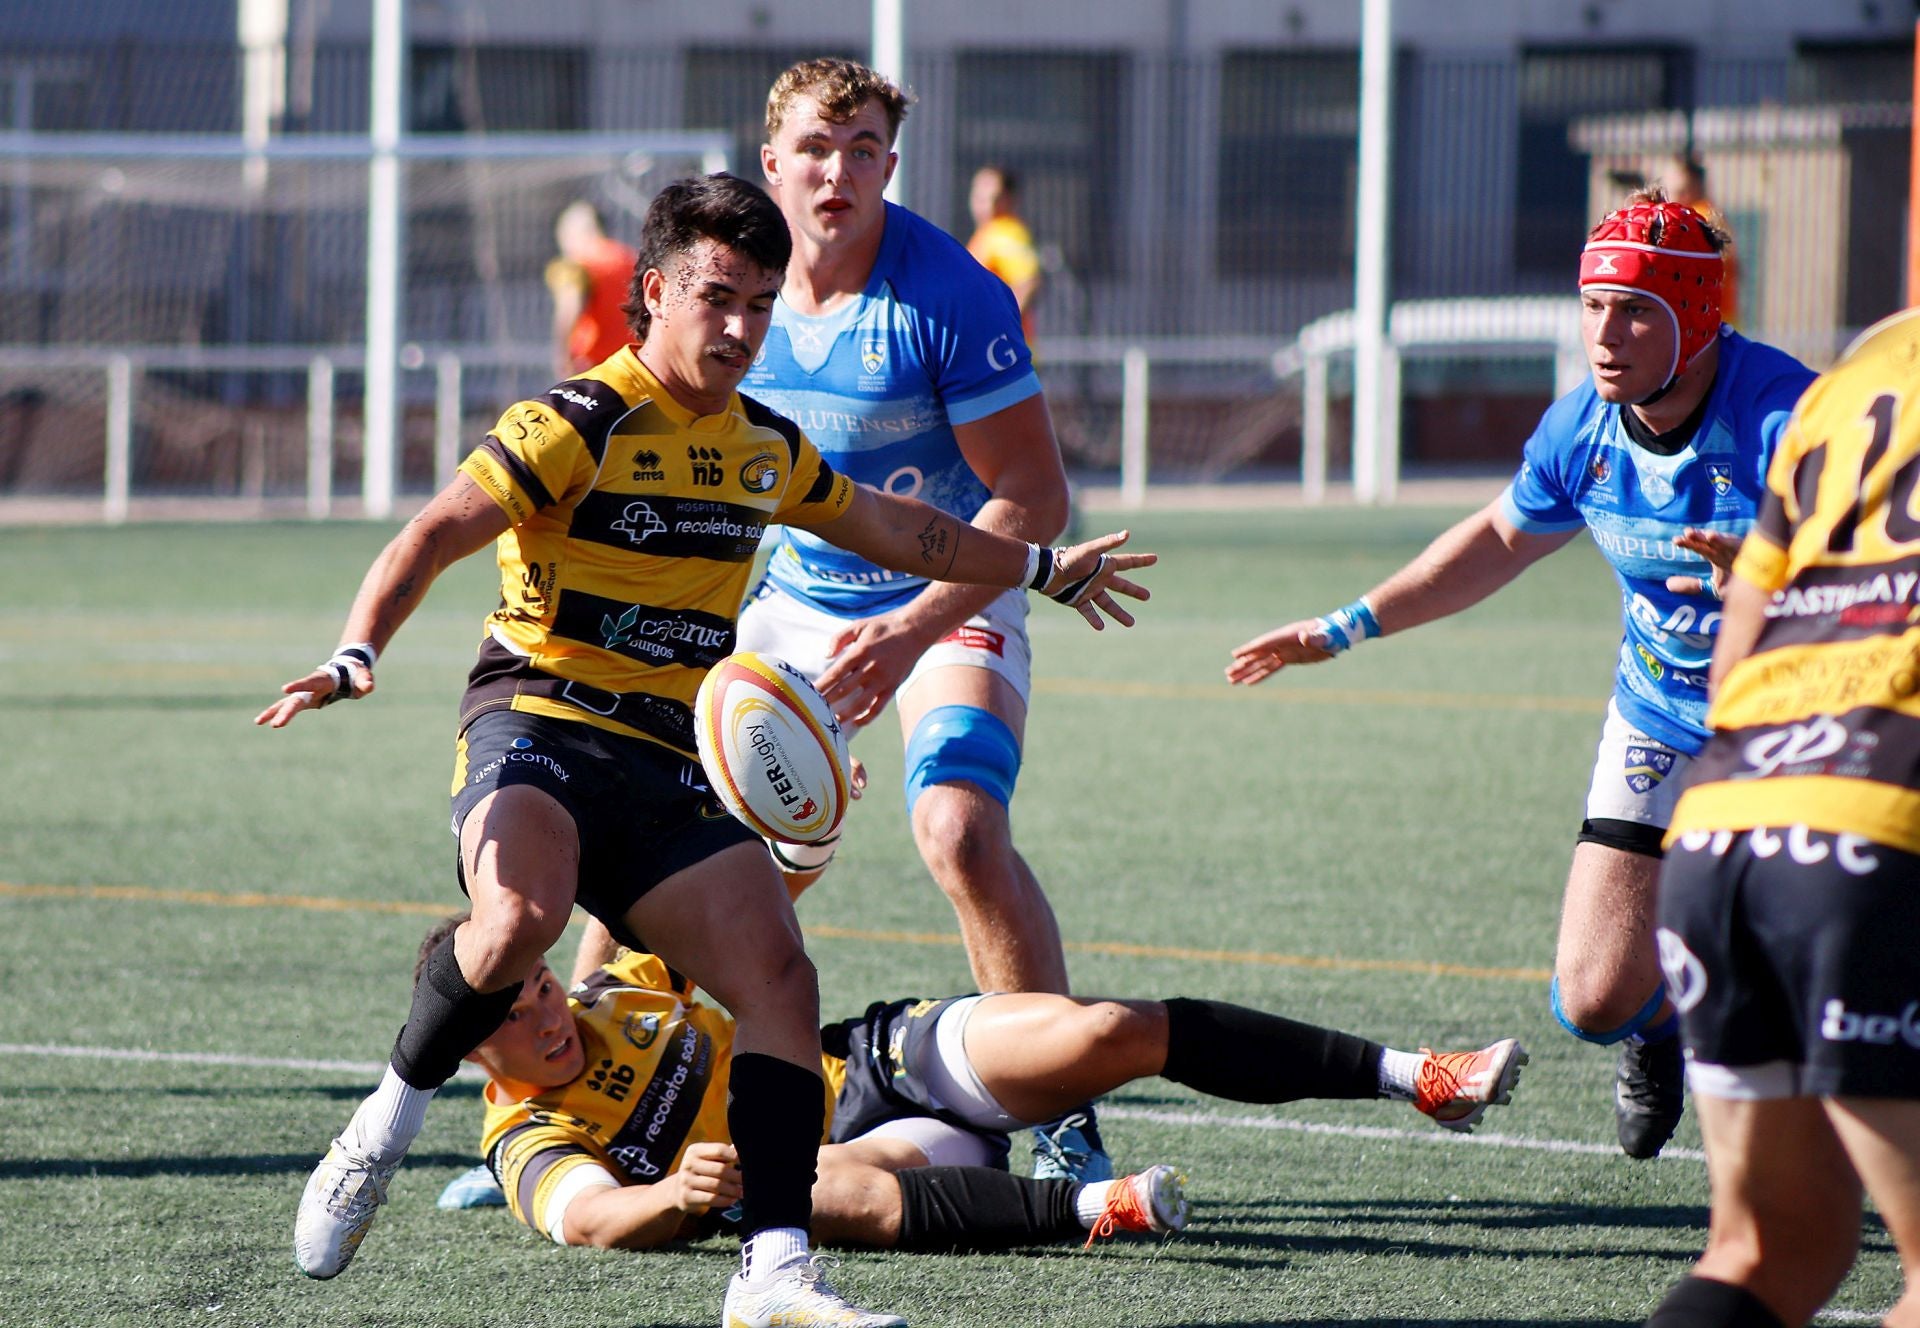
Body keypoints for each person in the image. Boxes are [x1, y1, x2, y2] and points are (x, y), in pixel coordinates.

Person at [255, 172, 1151, 1328]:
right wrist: (355, 651)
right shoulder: (575, 421)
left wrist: (1038, 565)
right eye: (717, 297)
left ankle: (772, 1270)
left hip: (665, 755)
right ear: (655, 291)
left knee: (779, 978)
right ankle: (381, 1124)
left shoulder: (762, 447)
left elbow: (899, 526)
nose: (739, 326)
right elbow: (432, 534)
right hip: (539, 718)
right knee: (521, 913)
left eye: (760, 303)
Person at [573, 57, 1106, 1183]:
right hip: (796, 600)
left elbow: (1035, 496)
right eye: (816, 149)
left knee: (960, 829)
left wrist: (912, 630)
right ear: (772, 163)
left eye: (863, 151)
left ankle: (1061, 1119)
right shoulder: (731, 288)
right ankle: (581, 1106)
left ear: (890, 167)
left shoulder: (949, 294)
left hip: (945, 596)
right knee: (659, 823)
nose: (838, 173)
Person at [1226, 191, 1815, 1162]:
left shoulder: (1792, 423)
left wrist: (1783, 575)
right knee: (1593, 996)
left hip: (1800, 723)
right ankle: (1660, 1025)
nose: (1605, 336)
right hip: (1663, 714)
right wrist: (1344, 626)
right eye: (1593, 306)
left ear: (1698, 315)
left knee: (1825, 975)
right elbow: (1499, 540)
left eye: (1635, 312)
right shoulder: (1584, 426)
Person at [436, 912, 1526, 1257]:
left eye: (541, 986)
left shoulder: (621, 985)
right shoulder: (523, 1133)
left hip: (871, 1060)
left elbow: (734, 898)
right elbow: (589, 1219)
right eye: (515, 1016)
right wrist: (675, 1196)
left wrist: (804, 796)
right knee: (801, 1187)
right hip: (851, 1160)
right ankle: (1092, 1207)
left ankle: (1417, 1075)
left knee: (1109, 1029)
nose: (547, 1014)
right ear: (475, 1051)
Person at [1643, 306, 1920, 1328]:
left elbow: (1733, 665)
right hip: (1881, 833)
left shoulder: (1857, 374)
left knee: (1769, 1248)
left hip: (1724, 822)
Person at [546, 199, 638, 380]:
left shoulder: (577, 265)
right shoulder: (630, 259)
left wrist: (562, 356)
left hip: (594, 367)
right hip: (632, 362)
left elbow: (570, 308)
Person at [965, 165, 1043, 339]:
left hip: (1002, 350)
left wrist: (997, 329)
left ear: (1009, 199)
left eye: (996, 198)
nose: (988, 206)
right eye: (980, 197)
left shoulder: (1005, 232)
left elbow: (1029, 282)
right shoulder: (985, 234)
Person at [1663, 157, 1741, 330]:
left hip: (1704, 319)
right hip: (1719, 315)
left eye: (1672, 188)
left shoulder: (1696, 218)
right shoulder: (1711, 214)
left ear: (1689, 187)